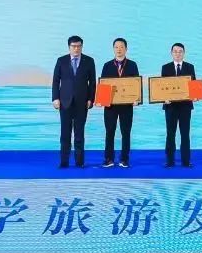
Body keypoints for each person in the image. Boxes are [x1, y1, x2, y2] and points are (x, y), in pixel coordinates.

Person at [51, 35, 96, 168]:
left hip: (82, 103)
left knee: (79, 134)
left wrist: (91, 99)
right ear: (69, 47)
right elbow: (55, 81)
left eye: (79, 46)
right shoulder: (61, 61)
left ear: (82, 46)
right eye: (74, 46)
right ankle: (64, 162)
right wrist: (55, 98)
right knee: (65, 134)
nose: (76, 49)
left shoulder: (89, 61)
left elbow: (92, 82)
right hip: (64, 102)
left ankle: (79, 162)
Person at [101, 37, 139, 168]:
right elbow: (103, 86)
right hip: (110, 106)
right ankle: (108, 159)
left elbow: (136, 84)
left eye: (121, 47)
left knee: (126, 133)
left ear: (126, 49)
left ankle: (124, 159)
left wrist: (136, 99)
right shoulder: (107, 65)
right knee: (109, 132)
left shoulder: (132, 65)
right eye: (116, 47)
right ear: (113, 49)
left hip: (126, 106)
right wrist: (102, 100)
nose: (119, 49)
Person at [161, 42, 195, 168]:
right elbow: (161, 87)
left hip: (185, 106)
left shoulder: (190, 67)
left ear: (184, 53)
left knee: (185, 134)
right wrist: (163, 98)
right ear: (171, 53)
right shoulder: (166, 68)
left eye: (180, 51)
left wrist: (195, 95)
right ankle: (170, 161)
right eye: (175, 51)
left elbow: (193, 85)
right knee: (170, 134)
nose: (178, 53)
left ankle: (186, 161)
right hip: (170, 107)